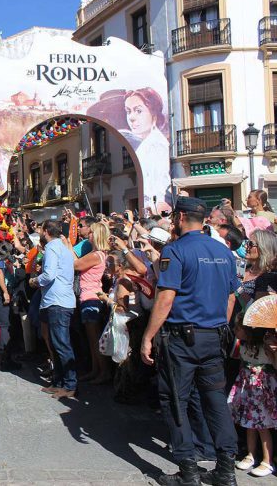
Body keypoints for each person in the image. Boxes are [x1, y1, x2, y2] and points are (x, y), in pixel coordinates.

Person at [141, 196, 239, 486]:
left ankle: (188, 471)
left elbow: (166, 297)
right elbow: (231, 296)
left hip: (183, 339)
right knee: (215, 400)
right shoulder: (222, 251)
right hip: (213, 336)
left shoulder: (176, 250)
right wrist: (218, 323)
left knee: (175, 400)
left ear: (181, 218)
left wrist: (148, 336)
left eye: (174, 217)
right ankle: (226, 470)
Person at [29, 220, 77, 399]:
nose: (39, 232)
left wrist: (35, 281)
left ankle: (70, 384)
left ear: (47, 231)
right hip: (56, 300)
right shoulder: (62, 248)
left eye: (41, 229)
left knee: (61, 344)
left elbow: (49, 275)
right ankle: (58, 381)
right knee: (56, 345)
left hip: (58, 302)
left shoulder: (51, 248)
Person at [227, 315, 276, 477]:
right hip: (248, 387)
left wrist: (273, 351)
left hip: (262, 389)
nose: (235, 331)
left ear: (248, 331)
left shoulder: (266, 347)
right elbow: (242, 362)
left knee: (262, 425)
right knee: (249, 423)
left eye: (238, 328)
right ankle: (251, 454)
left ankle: (267, 460)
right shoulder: (243, 345)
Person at [71, 222, 111, 384]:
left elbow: (76, 264)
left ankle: (103, 372)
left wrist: (68, 246)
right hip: (88, 296)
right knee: (91, 338)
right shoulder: (98, 254)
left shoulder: (96, 255)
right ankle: (96, 370)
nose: (89, 235)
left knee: (94, 338)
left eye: (92, 233)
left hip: (91, 297)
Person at [122, 88, 170, 205]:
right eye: (129, 111)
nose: (131, 117)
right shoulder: (146, 143)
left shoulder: (157, 146)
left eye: (138, 111)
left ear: (154, 114)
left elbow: (159, 189)